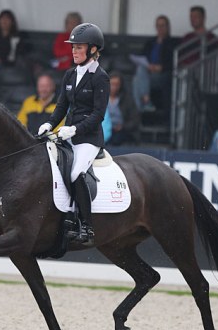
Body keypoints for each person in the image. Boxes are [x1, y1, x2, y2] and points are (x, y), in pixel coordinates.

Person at [37, 23, 110, 245]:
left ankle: (86, 226)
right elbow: (61, 107)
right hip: (66, 134)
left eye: (79, 47)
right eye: (73, 47)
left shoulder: (100, 77)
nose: (74, 51)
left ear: (92, 50)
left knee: (76, 173)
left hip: (88, 139)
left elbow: (98, 115)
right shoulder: (69, 74)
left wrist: (76, 129)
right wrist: (49, 124)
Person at [131, 15, 174, 114]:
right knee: (137, 77)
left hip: (162, 75)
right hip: (148, 73)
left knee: (137, 78)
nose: (160, 28)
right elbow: (143, 57)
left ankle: (140, 108)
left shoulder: (171, 43)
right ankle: (145, 104)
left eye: (162, 26)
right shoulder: (151, 42)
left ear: (167, 27)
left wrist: (161, 67)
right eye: (158, 26)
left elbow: (173, 62)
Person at [108, 71, 140, 145]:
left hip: (122, 130)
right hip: (104, 130)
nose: (114, 87)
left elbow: (135, 119)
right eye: (112, 84)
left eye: (117, 85)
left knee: (117, 139)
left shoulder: (127, 100)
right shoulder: (100, 98)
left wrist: (123, 127)